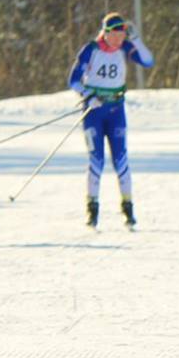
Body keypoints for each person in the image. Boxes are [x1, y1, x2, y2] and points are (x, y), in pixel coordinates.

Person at [67, 12, 155, 229]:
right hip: (94, 111)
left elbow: (148, 61)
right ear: (105, 33)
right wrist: (88, 96)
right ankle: (92, 209)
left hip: (116, 110)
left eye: (122, 34)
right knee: (96, 159)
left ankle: (128, 208)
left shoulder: (125, 48)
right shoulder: (91, 50)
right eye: (115, 34)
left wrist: (135, 39)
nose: (118, 39)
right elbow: (73, 80)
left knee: (121, 158)